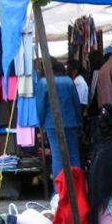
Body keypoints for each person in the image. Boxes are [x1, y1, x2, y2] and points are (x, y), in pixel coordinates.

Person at [35, 57, 84, 185]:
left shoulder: (43, 82)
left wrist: (40, 125)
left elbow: (40, 107)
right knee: (74, 156)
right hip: (71, 121)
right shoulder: (68, 81)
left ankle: (60, 191)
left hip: (52, 123)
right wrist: (79, 122)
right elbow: (76, 103)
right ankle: (78, 189)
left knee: (57, 157)